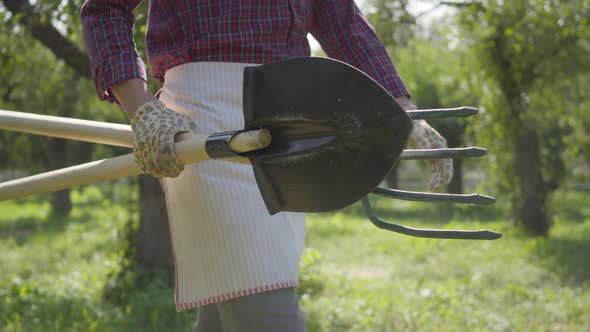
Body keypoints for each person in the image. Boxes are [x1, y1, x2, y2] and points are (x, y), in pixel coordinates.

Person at [80, 1, 452, 331]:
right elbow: (105, 8)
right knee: (263, 302)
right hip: (202, 120)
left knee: (230, 303)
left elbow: (341, 19)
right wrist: (142, 108)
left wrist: (405, 111)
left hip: (287, 121)